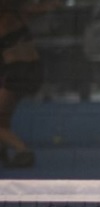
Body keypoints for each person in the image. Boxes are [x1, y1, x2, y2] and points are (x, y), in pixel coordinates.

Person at [0, 0, 59, 168]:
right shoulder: (19, 14)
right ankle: (3, 149)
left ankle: (23, 151)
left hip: (18, 71)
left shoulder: (8, 17)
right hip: (31, 69)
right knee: (2, 117)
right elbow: (45, 7)